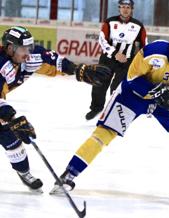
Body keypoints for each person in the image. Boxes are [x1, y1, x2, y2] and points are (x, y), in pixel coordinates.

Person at [50, 24, 169, 200]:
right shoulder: (154, 51)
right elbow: (132, 78)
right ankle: (68, 175)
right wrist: (158, 90)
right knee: (103, 134)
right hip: (132, 96)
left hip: (163, 103)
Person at [0, 26, 111, 192]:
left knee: (12, 139)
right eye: (24, 49)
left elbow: (54, 61)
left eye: (29, 47)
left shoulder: (28, 57)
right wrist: (12, 117)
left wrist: (79, 70)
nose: (28, 53)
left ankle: (24, 172)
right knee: (10, 128)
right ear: (10, 48)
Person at [85, 0, 147, 120]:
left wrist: (142, 61)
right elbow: (102, 40)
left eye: (128, 7)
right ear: (119, 8)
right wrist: (115, 53)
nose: (125, 9)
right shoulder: (109, 22)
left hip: (126, 62)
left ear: (132, 9)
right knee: (99, 83)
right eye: (123, 7)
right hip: (107, 59)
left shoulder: (138, 26)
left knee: (117, 88)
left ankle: (113, 110)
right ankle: (96, 107)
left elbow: (145, 45)